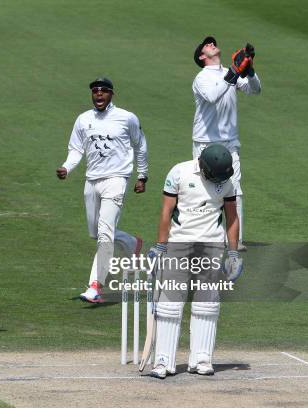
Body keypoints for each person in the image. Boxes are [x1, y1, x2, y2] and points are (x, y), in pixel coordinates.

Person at [146, 143, 244, 379]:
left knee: (207, 305)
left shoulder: (228, 182)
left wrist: (232, 254)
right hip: (179, 244)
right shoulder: (179, 172)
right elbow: (166, 212)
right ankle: (163, 361)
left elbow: (232, 217)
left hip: (211, 246)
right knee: (169, 305)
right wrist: (160, 246)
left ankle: (202, 358)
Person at [56, 77, 149, 303]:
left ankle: (95, 286)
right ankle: (130, 243)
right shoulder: (83, 119)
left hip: (116, 179)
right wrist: (67, 167)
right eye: (95, 91)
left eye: (104, 91)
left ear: (111, 94)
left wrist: (142, 175)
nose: (99, 94)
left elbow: (140, 145)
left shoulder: (126, 118)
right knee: (96, 233)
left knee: (105, 233)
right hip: (92, 181)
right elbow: (76, 149)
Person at [192, 36, 261, 251]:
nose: (212, 44)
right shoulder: (201, 78)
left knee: (235, 190)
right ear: (202, 56)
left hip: (230, 144)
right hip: (205, 143)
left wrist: (249, 70)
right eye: (207, 45)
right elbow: (212, 96)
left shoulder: (227, 73)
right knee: (204, 190)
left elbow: (254, 89)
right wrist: (233, 70)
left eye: (212, 42)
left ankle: (235, 240)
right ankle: (205, 236)